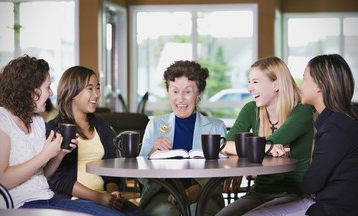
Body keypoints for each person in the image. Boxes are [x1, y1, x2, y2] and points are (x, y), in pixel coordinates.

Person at [0, 55, 118, 215]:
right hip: (19, 204)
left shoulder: (35, 121)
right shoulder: (0, 120)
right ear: (31, 90)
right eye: (47, 87)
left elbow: (42, 175)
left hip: (47, 198)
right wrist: (45, 155)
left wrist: (59, 154)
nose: (51, 93)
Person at [241, 54, 358, 215]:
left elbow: (312, 183)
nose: (301, 86)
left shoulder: (334, 129)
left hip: (331, 207)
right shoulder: (339, 121)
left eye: (304, 79)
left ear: (319, 85)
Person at [217, 57, 315, 216]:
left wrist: (254, 147)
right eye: (249, 82)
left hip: (293, 194)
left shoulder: (302, 111)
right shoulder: (251, 109)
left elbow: (269, 143)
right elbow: (224, 145)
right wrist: (265, 148)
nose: (249, 88)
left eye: (255, 82)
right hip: (259, 192)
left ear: (276, 85)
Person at [46, 66, 148, 216]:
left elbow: (111, 168)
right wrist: (100, 198)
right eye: (90, 88)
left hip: (104, 198)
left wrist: (113, 192)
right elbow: (57, 180)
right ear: (72, 92)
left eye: (98, 88)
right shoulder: (55, 128)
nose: (96, 94)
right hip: (73, 200)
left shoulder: (101, 125)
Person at [138, 60, 227, 216]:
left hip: (205, 195)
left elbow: (224, 174)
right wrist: (152, 152)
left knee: (197, 212)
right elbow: (141, 177)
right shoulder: (155, 125)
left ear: (199, 94)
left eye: (187, 91)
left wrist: (199, 190)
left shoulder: (216, 127)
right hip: (161, 195)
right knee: (166, 213)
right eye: (174, 91)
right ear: (168, 93)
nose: (180, 99)